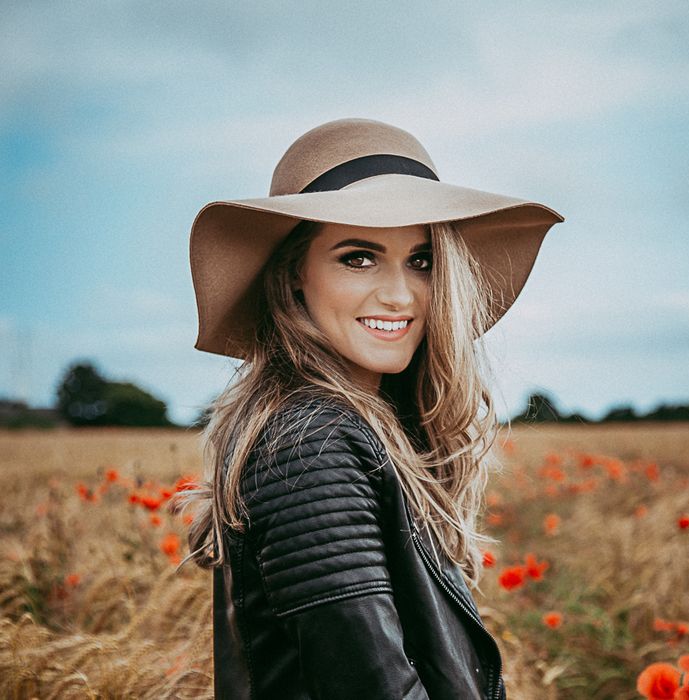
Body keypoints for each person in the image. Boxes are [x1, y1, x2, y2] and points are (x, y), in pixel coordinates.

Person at [174, 118, 564, 699]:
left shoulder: (362, 430)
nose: (401, 294)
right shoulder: (311, 445)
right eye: (359, 258)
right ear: (293, 277)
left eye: (422, 260)